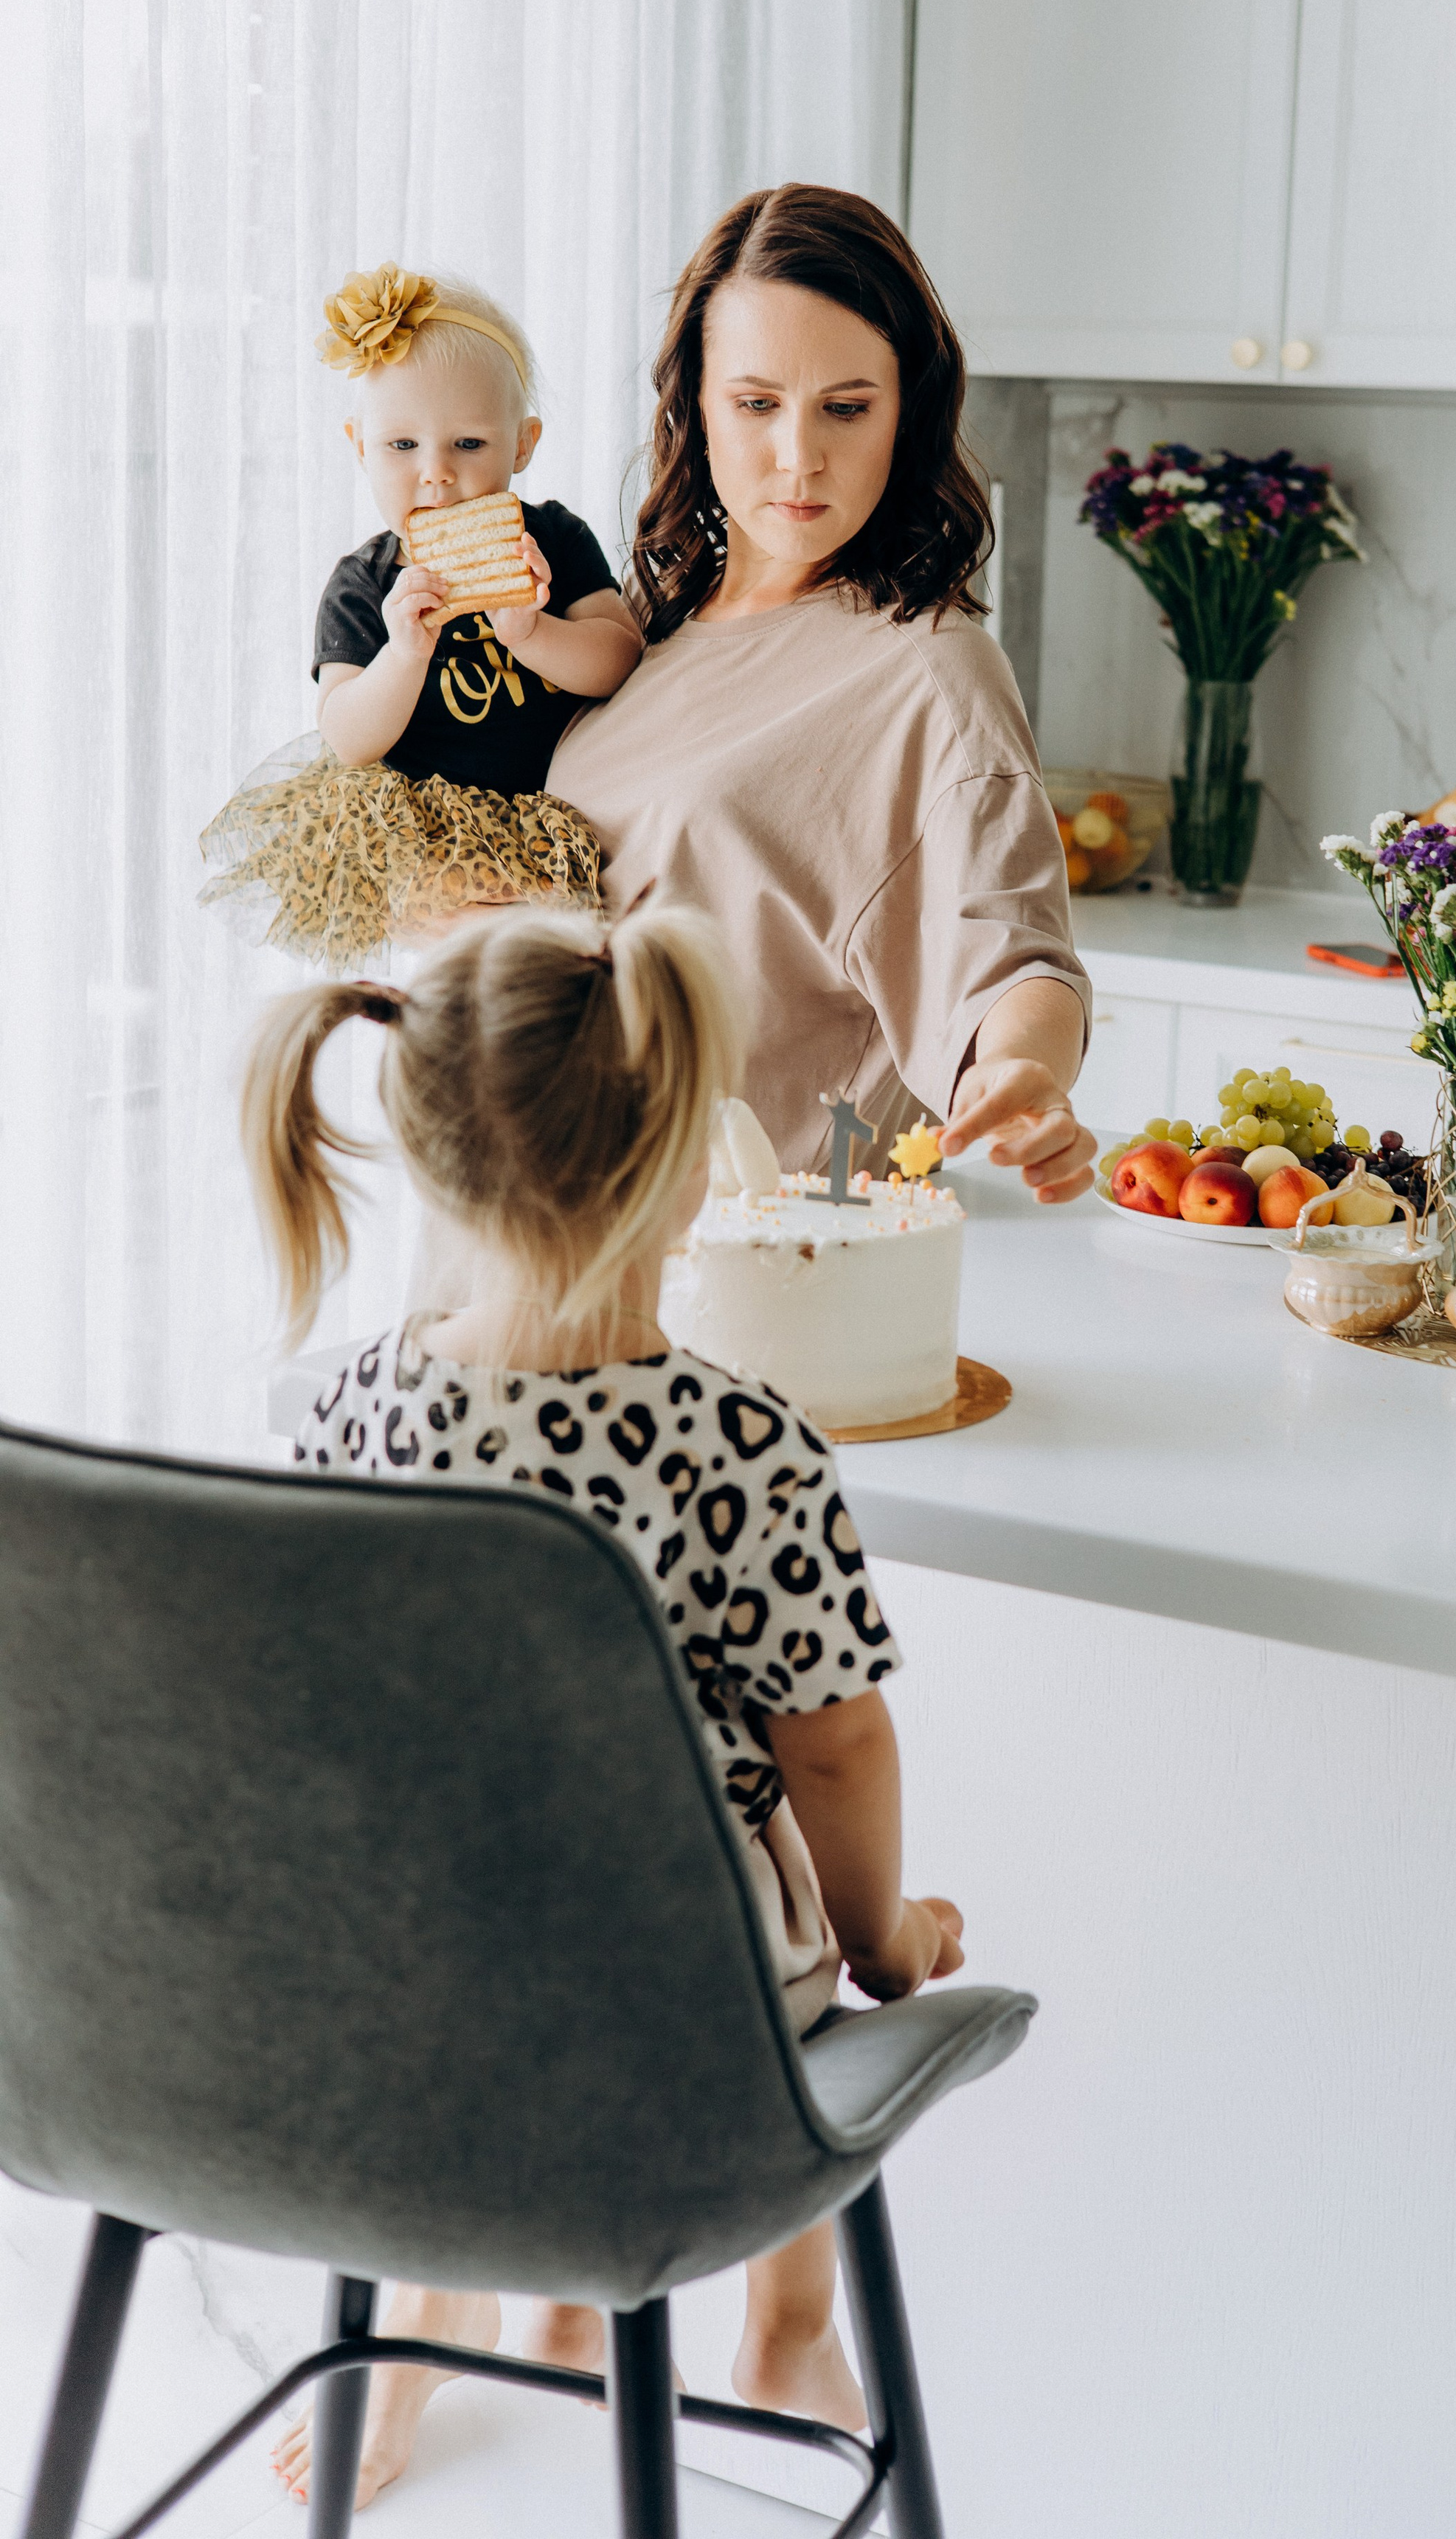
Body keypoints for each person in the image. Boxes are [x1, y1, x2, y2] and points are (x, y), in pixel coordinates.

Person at [243, 900, 962, 2510]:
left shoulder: (353, 1404)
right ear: (688, 1172)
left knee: (492, 1877)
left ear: (425, 1162)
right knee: (799, 1931)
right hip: (673, 2010)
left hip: (405, 1986)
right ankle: (781, 2323)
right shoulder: (747, 1443)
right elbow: (833, 1739)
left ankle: (444, 2300)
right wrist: (887, 1935)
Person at [549, 184, 1097, 1202]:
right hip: (557, 1200)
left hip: (755, 1252)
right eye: (756, 404)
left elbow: (1010, 941)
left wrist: (1027, 1071)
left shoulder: (929, 669)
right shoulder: (633, 631)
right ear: (697, 407)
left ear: (907, 412)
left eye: (846, 408)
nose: (799, 457)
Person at [200, 265, 639, 971]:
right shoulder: (364, 584)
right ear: (360, 446)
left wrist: (534, 631)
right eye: (403, 447)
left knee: (555, 985)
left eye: (469, 445)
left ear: (522, 444)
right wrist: (403, 655)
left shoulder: (552, 539)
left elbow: (619, 658)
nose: (436, 474)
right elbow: (346, 736)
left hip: (554, 815)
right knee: (470, 985)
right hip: (429, 833)